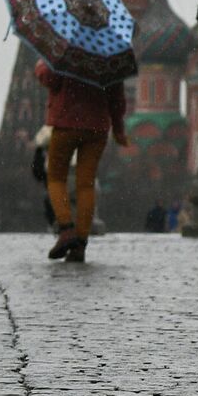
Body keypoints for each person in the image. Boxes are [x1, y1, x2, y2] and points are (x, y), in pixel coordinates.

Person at [36, 61, 128, 262]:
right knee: (86, 183)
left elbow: (49, 79)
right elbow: (117, 97)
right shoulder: (109, 53)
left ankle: (66, 229)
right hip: (97, 126)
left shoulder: (66, 49)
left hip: (65, 122)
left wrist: (42, 65)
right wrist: (119, 129)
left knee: (56, 178)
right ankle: (80, 244)